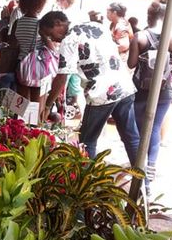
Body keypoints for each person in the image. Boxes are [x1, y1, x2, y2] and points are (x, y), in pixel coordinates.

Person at [43, 19, 140, 165]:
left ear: (58, 24)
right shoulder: (96, 25)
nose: (54, 40)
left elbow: (62, 76)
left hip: (100, 93)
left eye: (51, 35)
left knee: (87, 142)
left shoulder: (69, 40)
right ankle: (143, 184)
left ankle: (86, 182)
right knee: (132, 138)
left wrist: (47, 105)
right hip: (123, 85)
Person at [127, 2, 172, 195]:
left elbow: (131, 63)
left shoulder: (140, 37)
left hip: (141, 90)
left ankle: (138, 169)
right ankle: (150, 173)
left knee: (138, 129)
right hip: (164, 91)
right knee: (155, 128)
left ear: (148, 16)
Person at [11, 0, 47, 93]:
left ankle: (23, 111)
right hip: (38, 67)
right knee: (35, 101)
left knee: (22, 100)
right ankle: (33, 111)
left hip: (20, 66)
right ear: (42, 3)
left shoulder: (17, 23)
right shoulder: (42, 25)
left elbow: (13, 45)